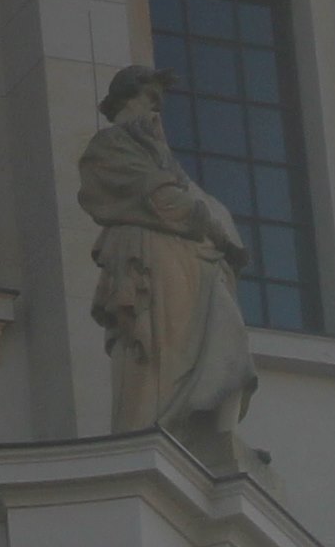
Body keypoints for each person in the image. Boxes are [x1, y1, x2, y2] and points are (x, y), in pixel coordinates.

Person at [78, 64, 255, 470]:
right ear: (127, 98)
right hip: (149, 260)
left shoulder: (159, 153)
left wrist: (209, 220)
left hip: (192, 261)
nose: (158, 110)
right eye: (151, 99)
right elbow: (160, 199)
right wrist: (209, 220)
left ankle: (213, 432)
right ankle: (156, 434)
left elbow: (181, 196)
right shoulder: (110, 146)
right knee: (158, 354)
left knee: (227, 338)